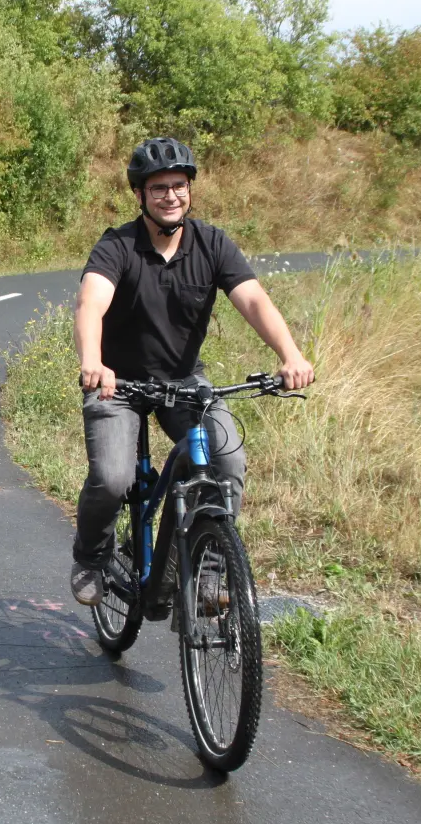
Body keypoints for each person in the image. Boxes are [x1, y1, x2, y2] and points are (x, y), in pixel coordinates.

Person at [70, 137, 314, 607]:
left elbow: (254, 300)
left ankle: (207, 570)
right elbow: (90, 303)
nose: (170, 196)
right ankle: (92, 555)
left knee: (227, 460)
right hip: (117, 384)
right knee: (114, 478)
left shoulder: (212, 243)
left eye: (179, 186)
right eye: (158, 187)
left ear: (190, 190)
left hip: (182, 383)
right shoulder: (117, 245)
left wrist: (290, 354)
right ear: (139, 195)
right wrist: (93, 362)